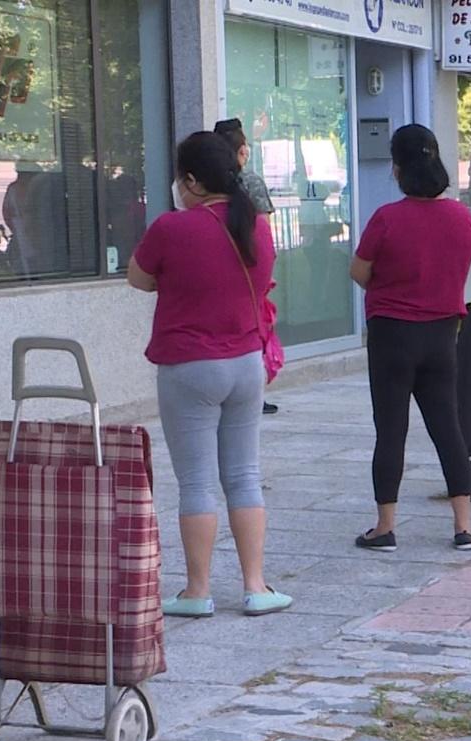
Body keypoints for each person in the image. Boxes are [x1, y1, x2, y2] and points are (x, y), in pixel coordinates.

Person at [127, 131, 292, 618]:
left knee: (197, 482)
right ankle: (256, 585)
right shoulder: (257, 226)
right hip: (246, 365)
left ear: (193, 181)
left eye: (180, 179)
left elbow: (138, 278)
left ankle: (197, 591)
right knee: (244, 476)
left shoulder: (172, 229)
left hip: (189, 366)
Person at [348, 125, 471, 553]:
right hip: (442, 334)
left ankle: (385, 526)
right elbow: (465, 260)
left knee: (391, 429)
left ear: (398, 167)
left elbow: (359, 272)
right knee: (447, 426)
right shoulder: (462, 217)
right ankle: (463, 526)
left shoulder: (387, 218)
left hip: (391, 334)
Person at [215, 117, 280, 415]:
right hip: (249, 267)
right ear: (243, 151)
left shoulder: (205, 184)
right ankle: (251, 391)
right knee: (253, 328)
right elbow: (264, 230)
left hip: (214, 266)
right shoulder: (250, 181)